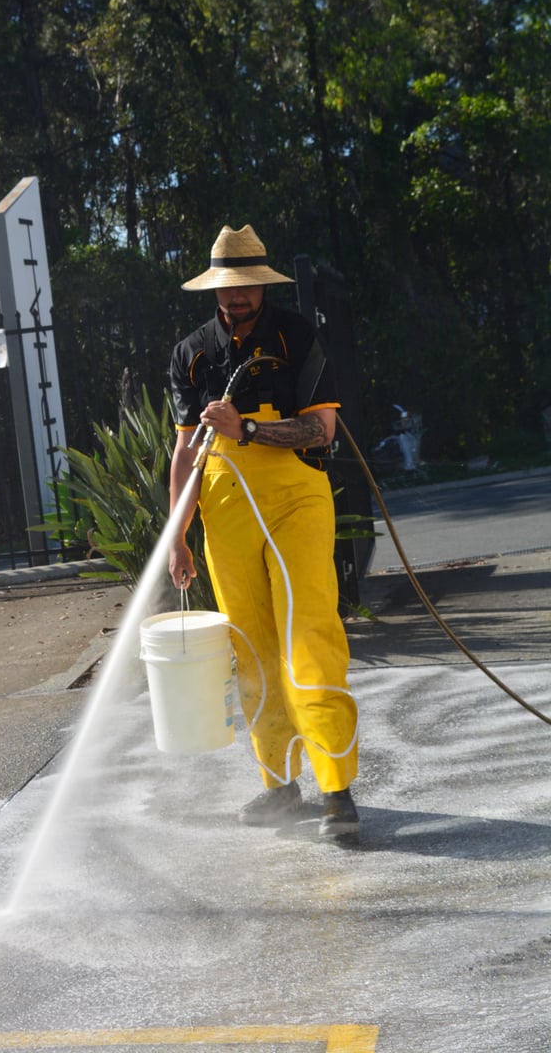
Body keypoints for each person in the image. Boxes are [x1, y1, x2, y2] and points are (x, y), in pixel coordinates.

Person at [167, 224, 359, 840]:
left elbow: (322, 432)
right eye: (227, 290)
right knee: (248, 650)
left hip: (293, 501)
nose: (236, 299)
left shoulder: (298, 336)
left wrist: (246, 431)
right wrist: (178, 535)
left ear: (262, 285)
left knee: (308, 637)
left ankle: (337, 793)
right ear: (215, 292)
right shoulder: (191, 353)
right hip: (224, 507)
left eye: (246, 287)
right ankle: (279, 785)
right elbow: (183, 453)